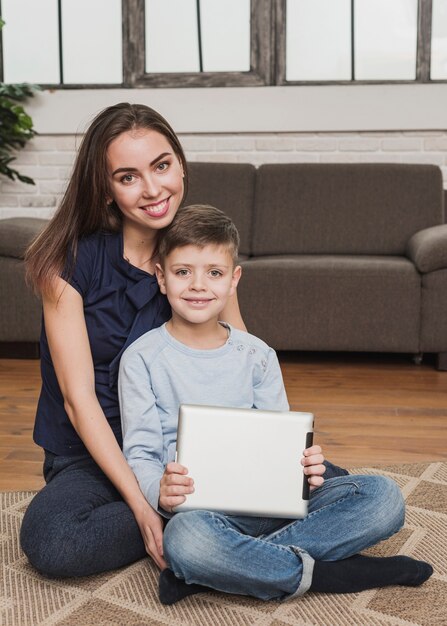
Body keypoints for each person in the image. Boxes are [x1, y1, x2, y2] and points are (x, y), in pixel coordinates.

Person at [118, 204, 433, 605]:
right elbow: (141, 452)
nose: (199, 285)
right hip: (200, 511)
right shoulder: (142, 358)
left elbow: (280, 436)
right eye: (183, 272)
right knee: (186, 542)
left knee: (384, 498)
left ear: (234, 280)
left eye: (214, 273)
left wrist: (304, 466)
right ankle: (333, 573)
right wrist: (159, 492)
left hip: (274, 503)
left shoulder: (258, 354)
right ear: (162, 278)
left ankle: (223, 572)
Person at [20, 102, 249, 577]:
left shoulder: (198, 255)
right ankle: (211, 523)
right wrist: (145, 509)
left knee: (336, 487)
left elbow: (240, 359)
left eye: (161, 166)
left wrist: (277, 452)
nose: (152, 189)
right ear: (106, 190)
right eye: (128, 177)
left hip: (177, 447)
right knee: (55, 542)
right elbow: (76, 398)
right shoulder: (67, 262)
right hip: (90, 455)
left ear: (180, 164)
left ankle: (214, 521)